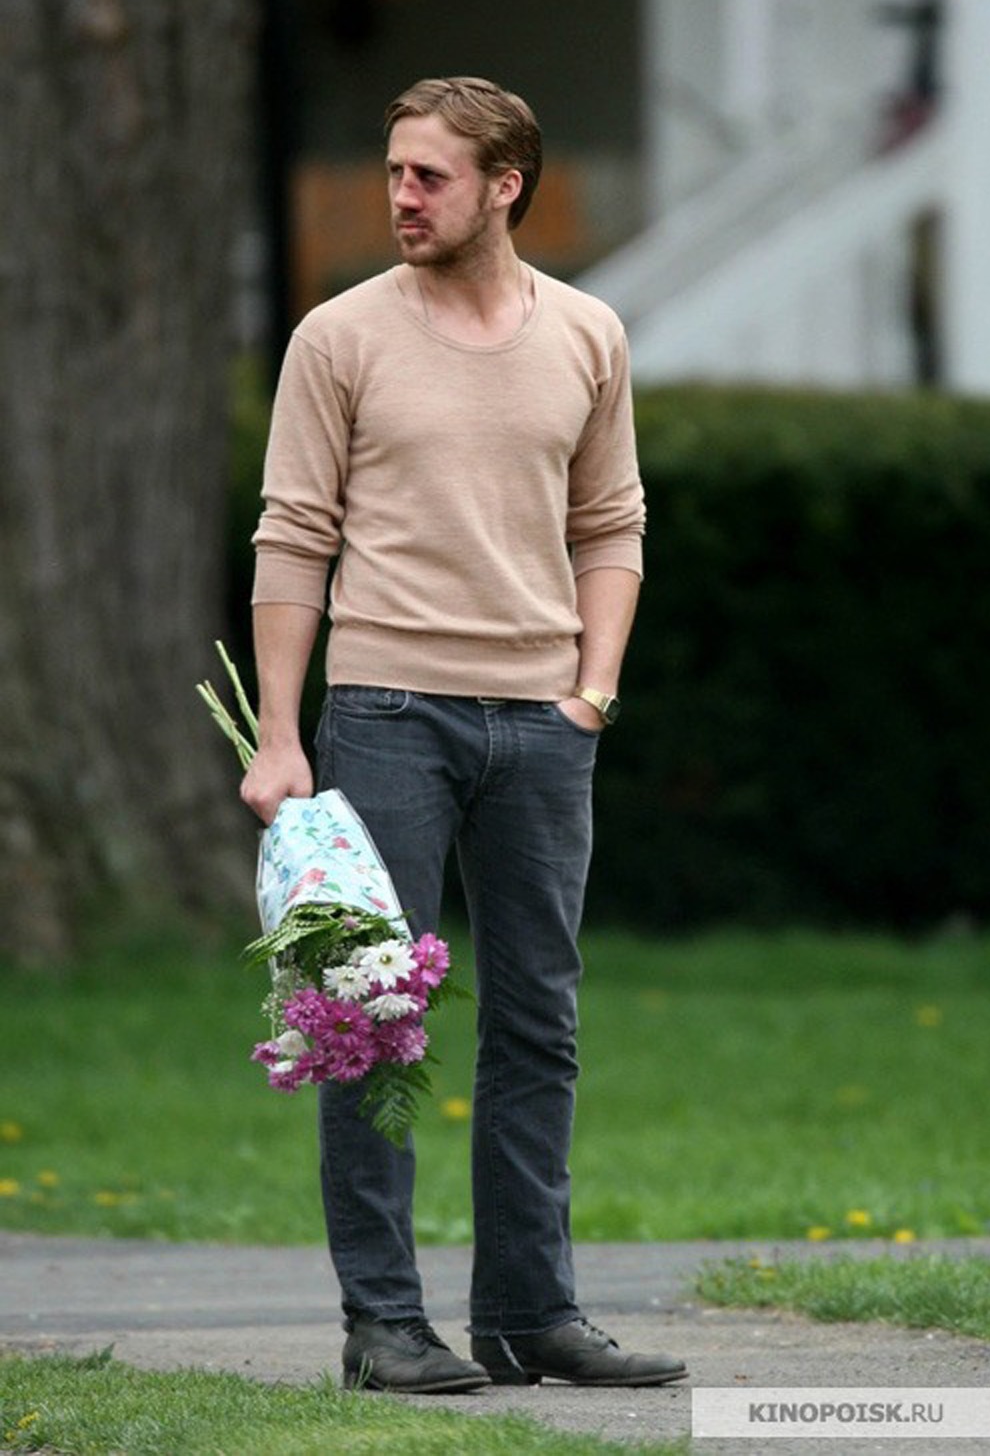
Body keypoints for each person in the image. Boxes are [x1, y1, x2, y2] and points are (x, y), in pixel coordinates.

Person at [241, 76, 687, 1396]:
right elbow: (292, 535)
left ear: (505, 186)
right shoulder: (338, 337)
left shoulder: (588, 334)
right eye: (394, 171)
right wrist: (280, 737)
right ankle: (384, 1325)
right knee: (368, 1019)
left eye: (428, 176)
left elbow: (612, 524)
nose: (401, 196)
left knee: (539, 1022)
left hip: (544, 729)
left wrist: (592, 692)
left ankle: (529, 1315)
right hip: (385, 717)